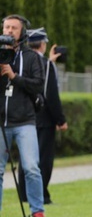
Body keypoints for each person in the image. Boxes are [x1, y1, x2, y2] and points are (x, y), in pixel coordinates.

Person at [0, 14, 46, 217]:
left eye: (14, 28)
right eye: (6, 27)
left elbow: (38, 85)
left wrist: (13, 77)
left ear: (23, 33)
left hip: (25, 121)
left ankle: (37, 211)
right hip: (1, 122)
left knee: (31, 168)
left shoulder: (32, 58)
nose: (9, 31)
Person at [18, 28, 68, 205]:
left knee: (26, 157)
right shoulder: (45, 65)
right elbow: (51, 96)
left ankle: (23, 194)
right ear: (43, 44)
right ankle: (41, 195)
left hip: (23, 116)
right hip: (43, 119)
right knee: (43, 159)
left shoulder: (21, 61)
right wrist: (60, 120)